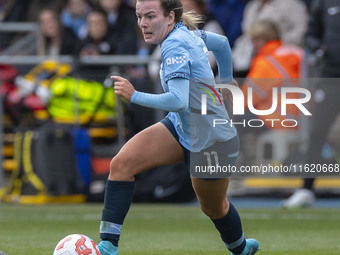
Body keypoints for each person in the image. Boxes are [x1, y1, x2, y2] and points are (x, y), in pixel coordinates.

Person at [96, 0, 260, 255]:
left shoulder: (174, 44)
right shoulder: (187, 33)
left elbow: (178, 101)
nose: (143, 24)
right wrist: (226, 80)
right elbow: (222, 44)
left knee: (214, 208)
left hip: (212, 141)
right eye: (140, 16)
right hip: (182, 129)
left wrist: (134, 95)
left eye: (150, 16)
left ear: (170, 17)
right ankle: (107, 247)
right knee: (121, 164)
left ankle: (240, 248)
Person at [282, 0, 340, 208]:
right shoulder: (324, 3)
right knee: (317, 132)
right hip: (331, 76)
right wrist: (320, 49)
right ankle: (306, 189)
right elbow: (311, 35)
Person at [232, 0, 308, 76]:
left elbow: (301, 31)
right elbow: (246, 32)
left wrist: (280, 44)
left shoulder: (292, 5)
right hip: (248, 56)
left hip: (280, 54)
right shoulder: (252, 6)